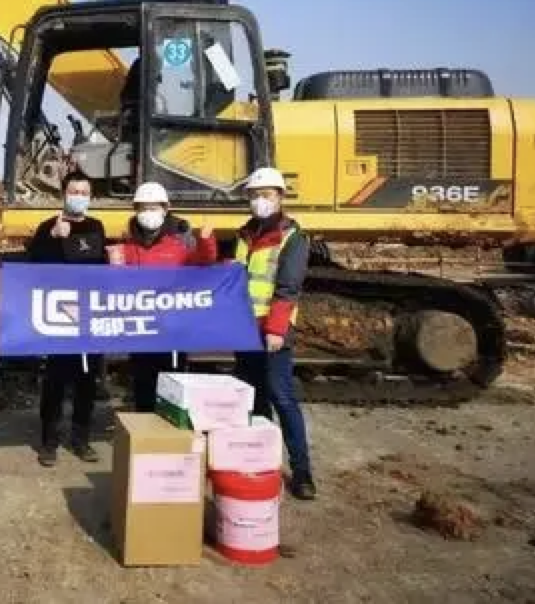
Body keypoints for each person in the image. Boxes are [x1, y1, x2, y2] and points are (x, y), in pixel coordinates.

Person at [230, 166, 317, 501]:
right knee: (254, 398)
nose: (259, 201)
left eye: (266, 194)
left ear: (280, 197)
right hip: (245, 328)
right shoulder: (245, 235)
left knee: (282, 396)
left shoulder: (292, 237)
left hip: (272, 330)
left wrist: (277, 330)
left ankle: (302, 471)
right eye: (254, 195)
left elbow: (288, 287)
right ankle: (261, 460)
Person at [107, 181, 218, 412]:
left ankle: (169, 431)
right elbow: (117, 285)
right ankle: (145, 429)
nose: (148, 213)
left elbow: (203, 262)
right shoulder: (127, 248)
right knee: (143, 389)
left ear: (165, 210)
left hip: (172, 332)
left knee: (172, 391)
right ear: (136, 211)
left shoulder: (177, 246)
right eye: (143, 208)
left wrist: (206, 240)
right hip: (142, 331)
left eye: (154, 207)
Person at [26, 170, 107, 467]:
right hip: (58, 318)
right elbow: (35, 266)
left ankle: (81, 439)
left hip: (88, 317)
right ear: (63, 194)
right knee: (55, 383)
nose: (79, 197)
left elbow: (98, 266)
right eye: (74, 192)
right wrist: (53, 239)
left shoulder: (96, 226)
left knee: (87, 382)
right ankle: (49, 442)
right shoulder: (47, 227)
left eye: (84, 193)